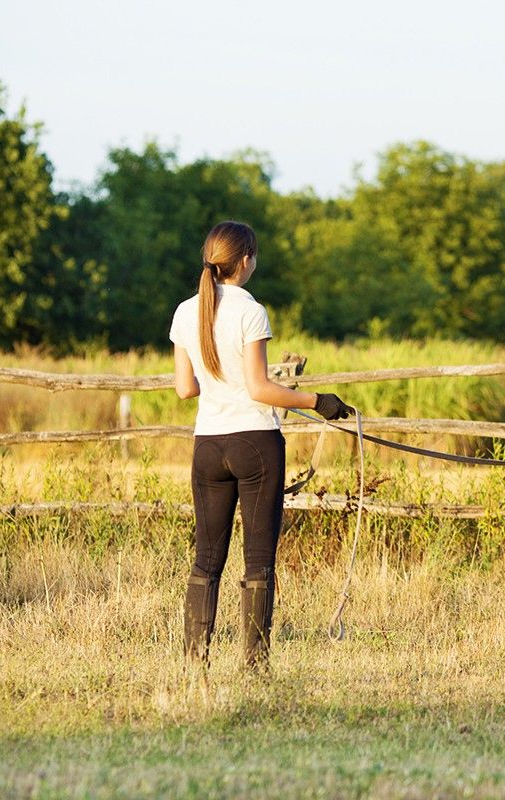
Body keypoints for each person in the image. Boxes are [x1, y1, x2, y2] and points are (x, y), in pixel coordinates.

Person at [170, 220, 353, 672]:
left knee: (206, 561)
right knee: (258, 561)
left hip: (208, 446)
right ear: (246, 259)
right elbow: (260, 388)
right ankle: (255, 668)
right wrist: (319, 402)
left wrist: (217, 383)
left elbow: (183, 389)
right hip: (255, 444)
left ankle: (196, 665)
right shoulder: (252, 312)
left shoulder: (185, 311)